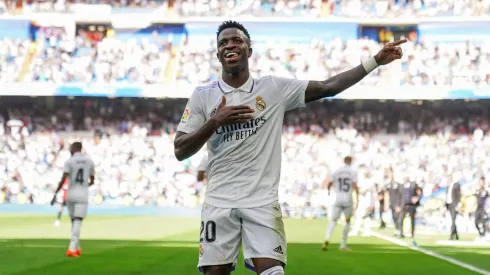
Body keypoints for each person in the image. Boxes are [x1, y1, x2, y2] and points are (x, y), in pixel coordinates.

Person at [173, 20, 405, 275]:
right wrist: (214, 121)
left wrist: (375, 61)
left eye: (237, 40)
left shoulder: (272, 88)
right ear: (218, 54)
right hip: (219, 201)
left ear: (249, 50)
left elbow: (327, 86)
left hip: (261, 201)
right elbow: (181, 149)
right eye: (223, 43)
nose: (230, 45)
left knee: (273, 272)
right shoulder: (202, 96)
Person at [51, 142, 95, 257]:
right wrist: (84, 186)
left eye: (71, 148)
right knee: (77, 221)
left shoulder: (69, 161)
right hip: (82, 194)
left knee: (74, 221)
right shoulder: (89, 161)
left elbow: (63, 179)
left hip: (71, 194)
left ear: (75, 148)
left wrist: (55, 193)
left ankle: (76, 247)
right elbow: (92, 180)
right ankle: (72, 248)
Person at [323, 156, 359, 251]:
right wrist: (358, 198)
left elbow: (329, 184)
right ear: (350, 162)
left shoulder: (337, 171)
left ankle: (326, 240)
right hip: (347, 198)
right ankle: (343, 244)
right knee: (347, 221)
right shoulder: (353, 172)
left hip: (337, 198)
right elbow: (355, 185)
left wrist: (329, 192)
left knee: (333, 221)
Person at [398, 175, 422, 242]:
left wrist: (417, 198)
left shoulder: (414, 185)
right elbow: (399, 196)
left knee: (412, 220)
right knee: (401, 219)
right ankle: (401, 232)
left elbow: (420, 192)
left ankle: (412, 233)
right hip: (403, 205)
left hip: (411, 205)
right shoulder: (401, 186)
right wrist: (398, 205)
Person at [446, 173, 462, 241]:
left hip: (454, 204)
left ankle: (452, 235)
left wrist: (458, 204)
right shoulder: (448, 186)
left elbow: (458, 195)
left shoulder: (456, 185)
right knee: (452, 220)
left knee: (453, 219)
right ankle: (456, 235)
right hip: (449, 204)